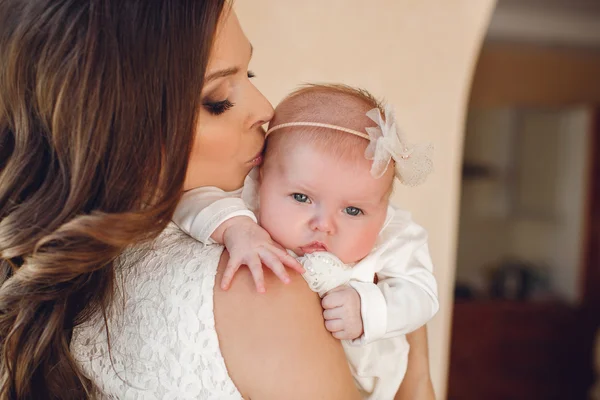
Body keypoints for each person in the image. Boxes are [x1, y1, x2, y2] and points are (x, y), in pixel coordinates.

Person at [0, 1, 435, 399]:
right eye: (219, 100)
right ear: (120, 121)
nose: (267, 110)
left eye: (250, 76)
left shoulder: (73, 268)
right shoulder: (261, 283)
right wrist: (417, 368)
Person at [173, 84, 439, 398]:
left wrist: (369, 309)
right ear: (262, 179)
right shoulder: (251, 204)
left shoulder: (394, 234)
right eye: (301, 197)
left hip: (377, 382)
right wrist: (235, 227)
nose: (323, 225)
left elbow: (422, 293)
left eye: (352, 210)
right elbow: (192, 200)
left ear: (382, 209)